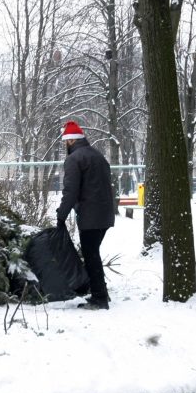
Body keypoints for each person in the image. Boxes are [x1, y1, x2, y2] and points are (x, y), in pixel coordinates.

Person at [55, 120, 115, 310]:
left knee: (91, 255)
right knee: (92, 253)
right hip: (104, 214)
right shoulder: (97, 155)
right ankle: (101, 293)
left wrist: (61, 215)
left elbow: (70, 191)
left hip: (91, 215)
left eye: (65, 142)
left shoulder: (74, 159)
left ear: (70, 141)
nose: (65, 145)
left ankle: (100, 299)